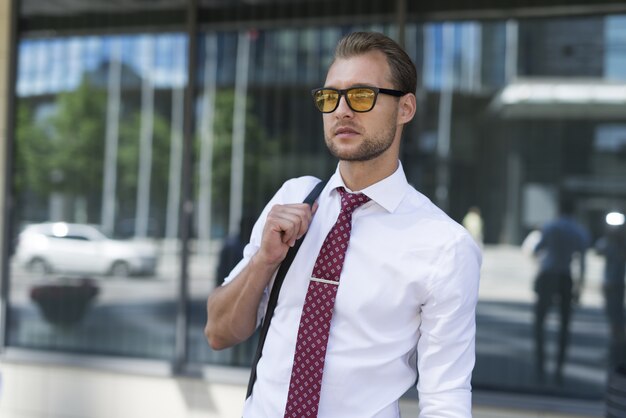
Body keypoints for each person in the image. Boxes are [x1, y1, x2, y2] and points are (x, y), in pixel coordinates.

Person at [205, 31, 481, 418]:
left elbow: (446, 398)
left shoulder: (444, 245)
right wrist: (263, 263)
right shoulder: (294, 198)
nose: (342, 111)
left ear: (405, 108)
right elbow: (218, 333)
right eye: (330, 97)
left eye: (362, 95)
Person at [532, 197, 590, 385]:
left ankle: (540, 366)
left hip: (548, 274)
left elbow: (537, 249)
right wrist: (580, 286)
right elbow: (582, 261)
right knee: (564, 326)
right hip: (565, 276)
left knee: (540, 323)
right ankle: (559, 370)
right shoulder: (578, 231)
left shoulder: (550, 226)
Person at [595, 222, 626, 368]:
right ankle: (615, 352)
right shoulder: (608, 243)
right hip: (610, 283)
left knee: (616, 320)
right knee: (613, 318)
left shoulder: (622, 245)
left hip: (617, 285)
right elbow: (599, 249)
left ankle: (618, 354)